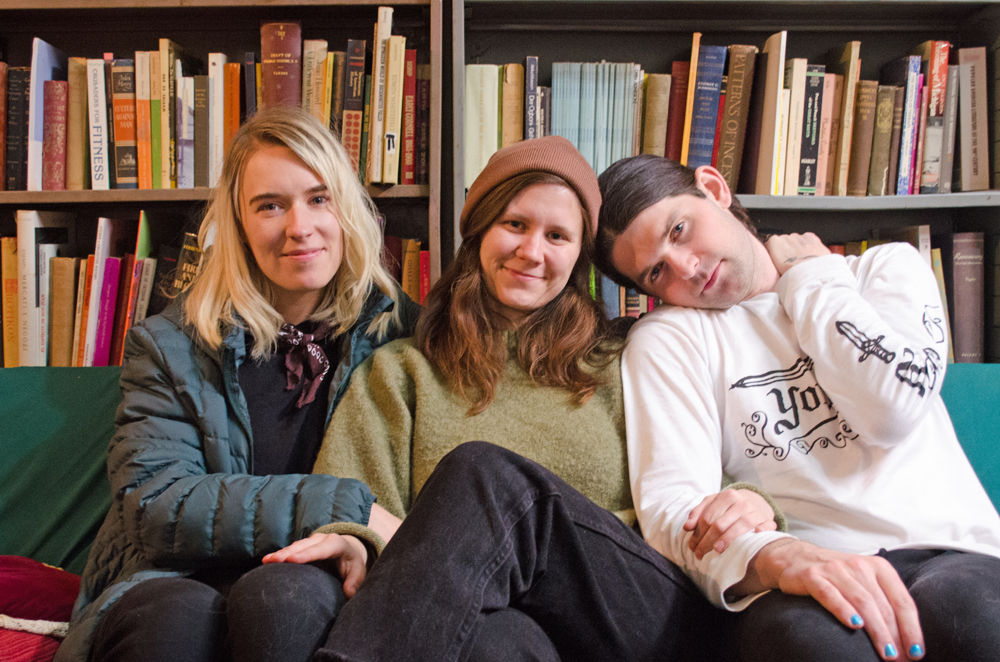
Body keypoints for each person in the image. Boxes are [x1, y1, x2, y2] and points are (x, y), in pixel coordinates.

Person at [265, 136, 780, 662]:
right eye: (515, 225)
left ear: (579, 254)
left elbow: (746, 454)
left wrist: (757, 499)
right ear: (480, 230)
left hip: (640, 614)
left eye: (557, 235)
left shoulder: (631, 354)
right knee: (499, 645)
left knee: (484, 475)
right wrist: (355, 538)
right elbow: (354, 502)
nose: (532, 252)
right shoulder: (401, 373)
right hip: (487, 621)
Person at [593, 154, 1000, 662]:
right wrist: (776, 557)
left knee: (977, 621)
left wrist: (811, 279)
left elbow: (892, 410)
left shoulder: (882, 269)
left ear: (714, 189)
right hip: (803, 570)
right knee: (814, 648)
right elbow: (674, 507)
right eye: (656, 273)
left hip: (951, 545)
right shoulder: (670, 339)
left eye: (679, 230)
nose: (689, 269)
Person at [54, 106, 420, 662]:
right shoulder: (169, 344)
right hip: (176, 578)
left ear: (347, 209)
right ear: (240, 226)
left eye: (318, 198)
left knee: (286, 608)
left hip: (318, 584)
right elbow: (157, 504)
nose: (300, 227)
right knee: (174, 621)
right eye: (270, 206)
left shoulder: (401, 334)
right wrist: (343, 503)